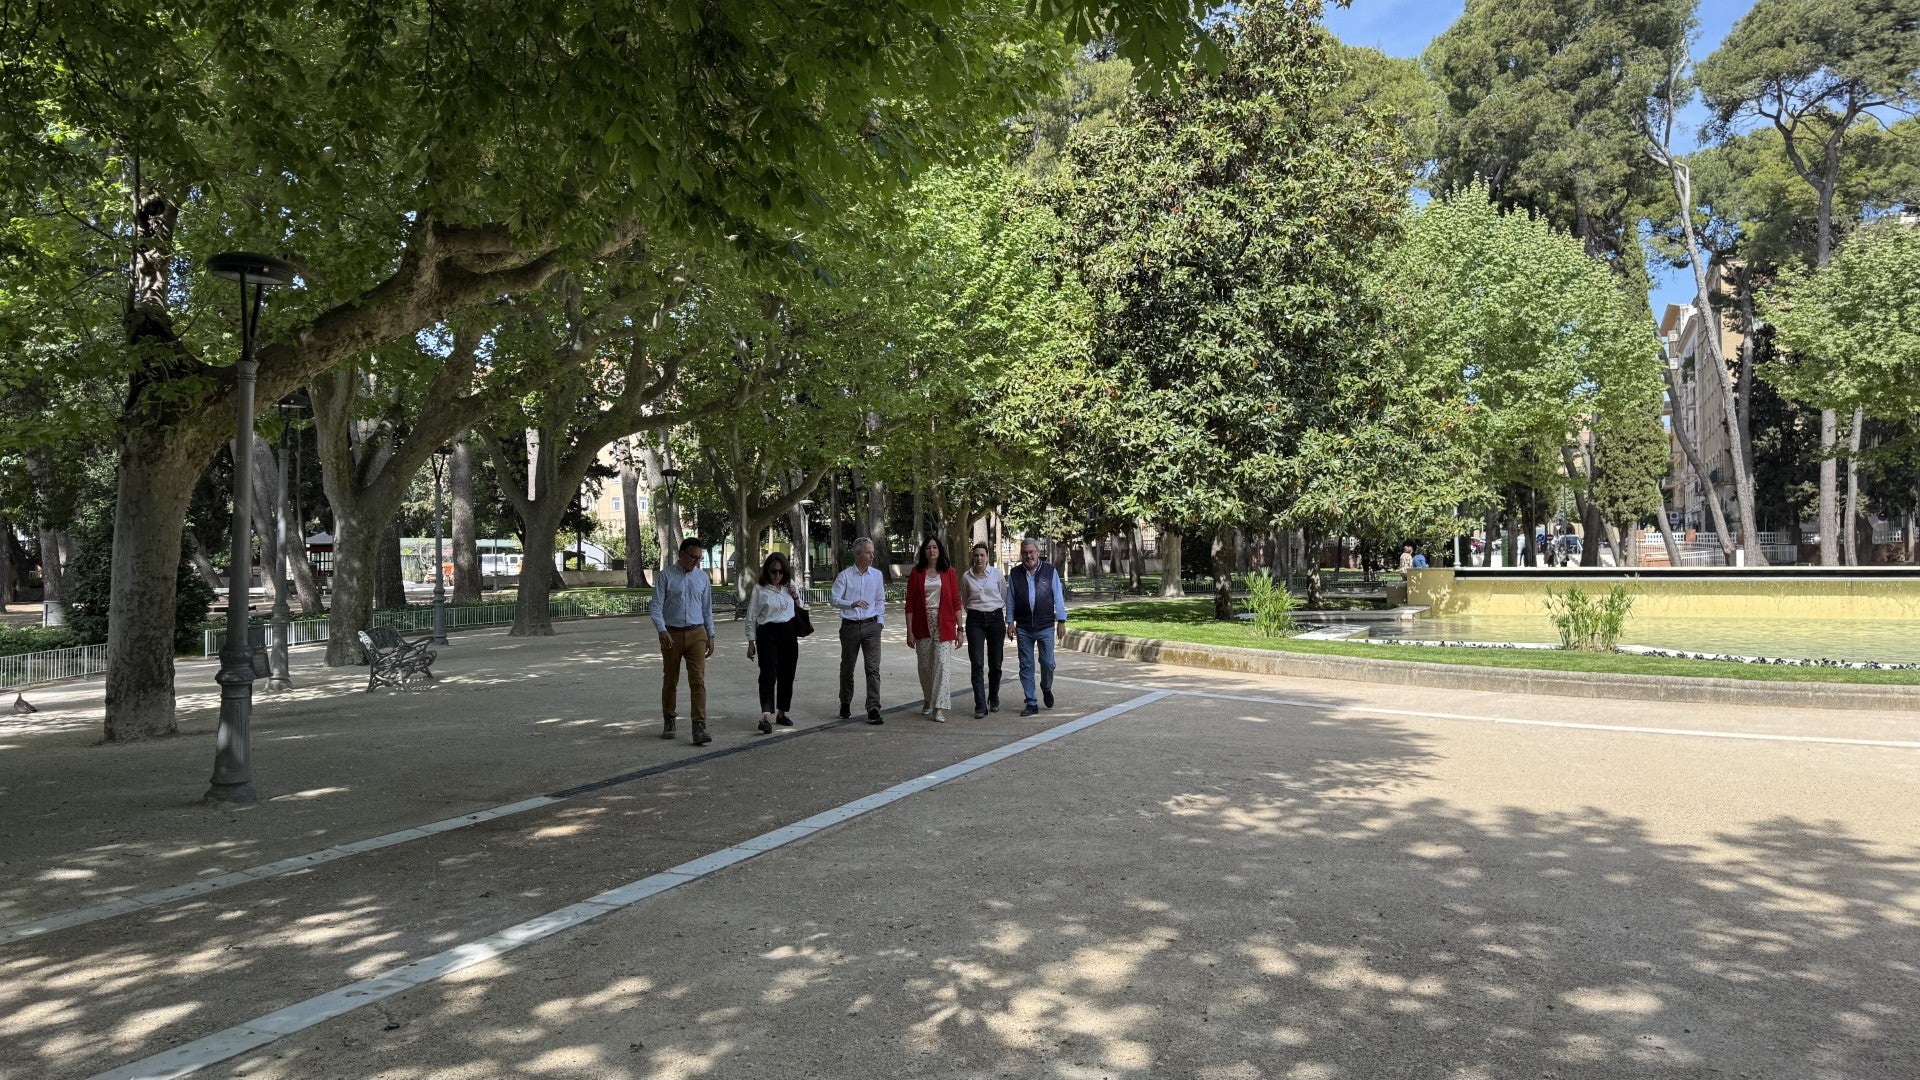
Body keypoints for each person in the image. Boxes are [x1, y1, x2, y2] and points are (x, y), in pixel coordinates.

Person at [648, 537, 715, 746]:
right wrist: (662, 630)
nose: (695, 561)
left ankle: (699, 726)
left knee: (698, 681)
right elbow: (656, 606)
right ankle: (669, 719)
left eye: (699, 558)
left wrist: (710, 635)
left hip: (697, 633)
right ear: (681, 554)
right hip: (672, 634)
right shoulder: (666, 576)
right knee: (671, 679)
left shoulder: (702, 578)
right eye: (692, 557)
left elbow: (707, 609)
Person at [1005, 539, 1067, 716]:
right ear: (1021, 554)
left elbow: (1058, 597)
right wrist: (1010, 622)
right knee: (1026, 665)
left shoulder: (1050, 571)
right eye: (1025, 553)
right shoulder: (1015, 574)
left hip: (1046, 625)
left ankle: (1046, 687)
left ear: (1038, 552)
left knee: (1048, 664)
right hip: (1023, 627)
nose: (1028, 555)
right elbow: (1010, 599)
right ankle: (1031, 702)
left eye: (1031, 552)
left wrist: (1061, 620)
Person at [745, 551, 804, 735]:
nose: (777, 575)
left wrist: (794, 595)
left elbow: (800, 607)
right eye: (773, 571)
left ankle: (782, 712)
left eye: (781, 572)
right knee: (768, 674)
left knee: (787, 673)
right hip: (767, 633)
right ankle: (766, 716)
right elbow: (751, 616)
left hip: (788, 632)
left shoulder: (790, 585)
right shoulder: (759, 589)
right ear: (767, 571)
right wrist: (751, 642)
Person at [830, 537, 887, 724]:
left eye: (872, 552)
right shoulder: (845, 576)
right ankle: (845, 703)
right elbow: (833, 599)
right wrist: (850, 604)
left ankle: (873, 707)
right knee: (847, 668)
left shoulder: (877, 575)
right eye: (869, 552)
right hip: (850, 626)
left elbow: (880, 599)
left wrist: (879, 621)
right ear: (858, 554)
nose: (872, 555)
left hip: (871, 626)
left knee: (873, 669)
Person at [905, 537, 963, 722]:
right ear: (924, 551)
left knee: (942, 665)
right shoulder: (916, 572)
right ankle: (928, 699)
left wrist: (960, 629)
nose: (932, 550)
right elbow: (910, 604)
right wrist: (909, 631)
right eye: (928, 547)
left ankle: (939, 707)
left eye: (935, 547)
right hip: (922, 623)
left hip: (944, 622)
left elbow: (955, 601)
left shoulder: (949, 572)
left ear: (940, 550)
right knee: (925, 666)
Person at [959, 541, 1007, 719]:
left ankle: (993, 697)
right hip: (975, 620)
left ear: (988, 557)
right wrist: (977, 611)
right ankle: (980, 704)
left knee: (996, 663)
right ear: (973, 557)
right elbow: (965, 599)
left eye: (982, 555)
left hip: (995, 619)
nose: (979, 558)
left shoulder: (996, 574)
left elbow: (1003, 596)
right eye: (976, 555)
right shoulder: (966, 577)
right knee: (977, 663)